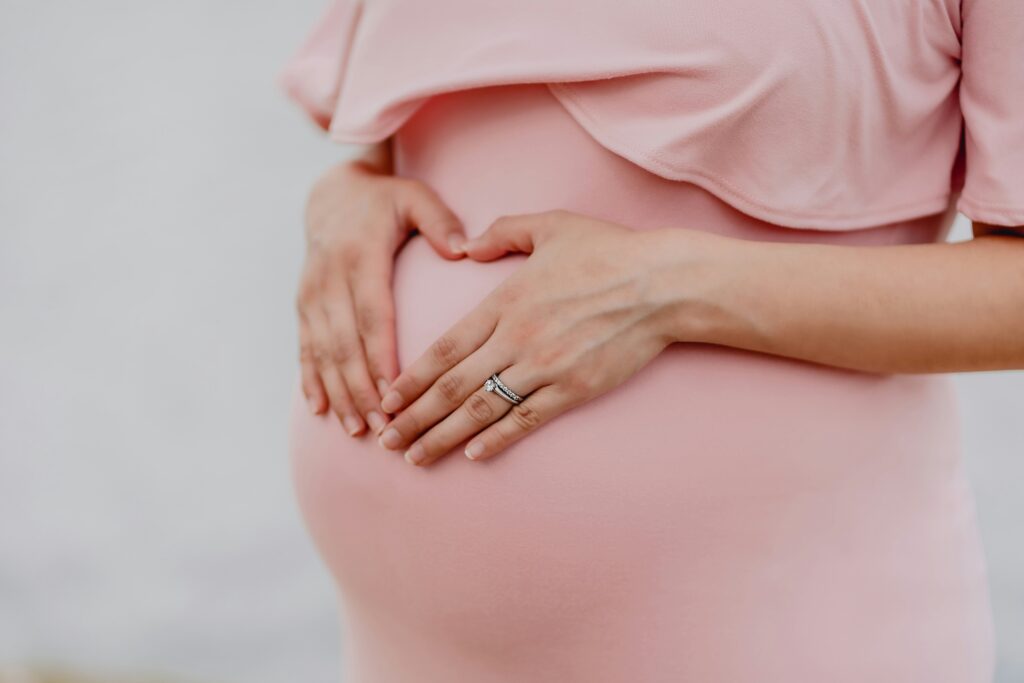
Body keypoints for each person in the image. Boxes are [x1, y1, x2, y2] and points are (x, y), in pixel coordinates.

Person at [279, 1, 1022, 680]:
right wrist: (344, 196)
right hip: (405, 646)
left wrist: (672, 285)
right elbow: (406, 137)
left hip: (770, 621)